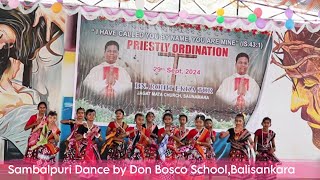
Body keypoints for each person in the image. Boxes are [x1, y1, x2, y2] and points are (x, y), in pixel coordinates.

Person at [219, 114, 254, 180]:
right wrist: (221, 135)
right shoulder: (231, 130)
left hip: (243, 154)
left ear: (243, 122)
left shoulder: (245, 132)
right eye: (236, 121)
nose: (238, 123)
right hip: (233, 154)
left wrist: (251, 145)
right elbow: (222, 136)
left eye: (240, 121)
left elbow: (251, 141)